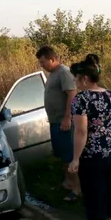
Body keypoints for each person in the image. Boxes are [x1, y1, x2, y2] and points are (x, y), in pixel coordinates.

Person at [68, 54, 111, 220]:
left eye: (76, 79)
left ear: (84, 78)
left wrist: (76, 158)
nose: (75, 83)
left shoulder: (81, 99)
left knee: (96, 206)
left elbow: (81, 131)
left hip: (93, 159)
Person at [36, 45, 80, 200]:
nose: (41, 65)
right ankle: (67, 183)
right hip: (55, 122)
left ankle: (76, 189)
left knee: (69, 157)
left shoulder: (64, 72)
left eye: (43, 62)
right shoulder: (53, 74)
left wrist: (67, 118)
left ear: (52, 59)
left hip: (64, 122)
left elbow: (72, 95)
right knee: (62, 156)